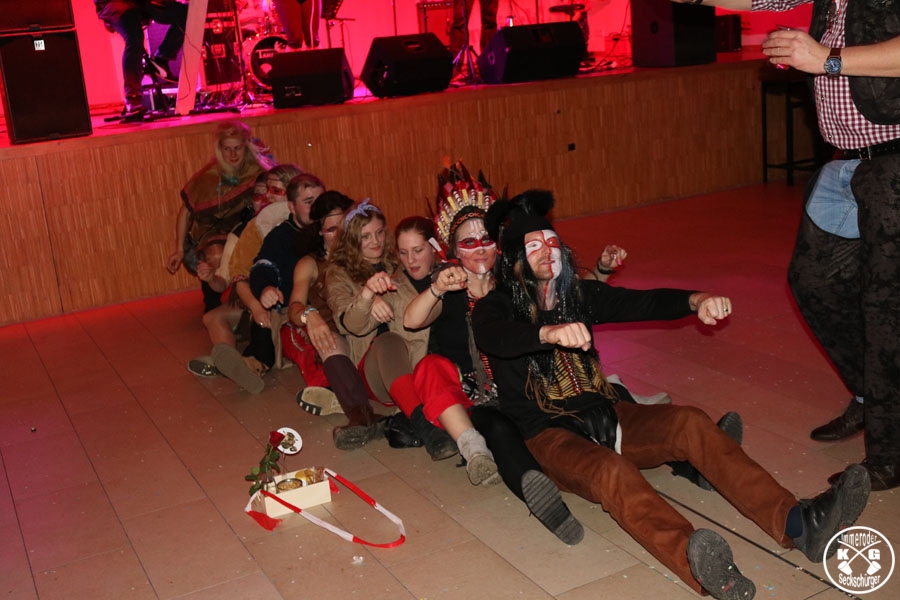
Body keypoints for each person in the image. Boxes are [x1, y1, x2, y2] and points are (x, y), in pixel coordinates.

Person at [471, 190, 871, 600]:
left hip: (609, 416)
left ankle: (800, 525)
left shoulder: (579, 296)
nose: (547, 251)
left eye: (553, 243)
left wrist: (695, 300)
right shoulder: (494, 307)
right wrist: (547, 333)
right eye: (534, 246)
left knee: (689, 422)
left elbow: (643, 301)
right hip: (550, 436)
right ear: (514, 259)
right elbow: (495, 336)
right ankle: (704, 569)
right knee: (612, 471)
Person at [677, 0, 900, 491]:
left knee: (885, 307)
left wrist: (826, 59)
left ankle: (890, 453)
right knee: (814, 283)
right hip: (848, 162)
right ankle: (873, 398)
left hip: (894, 158)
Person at [284, 192, 388, 449]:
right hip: (334, 334)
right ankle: (360, 416)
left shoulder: (372, 251)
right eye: (332, 229)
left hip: (370, 331)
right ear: (319, 232)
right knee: (327, 341)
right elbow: (294, 308)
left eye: (344, 225)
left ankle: (341, 399)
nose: (340, 233)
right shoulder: (310, 263)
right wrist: (310, 315)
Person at [166, 120, 275, 313]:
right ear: (220, 150)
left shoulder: (259, 171)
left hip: (246, 225)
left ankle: (250, 299)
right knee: (216, 254)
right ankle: (212, 300)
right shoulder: (209, 176)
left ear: (246, 146)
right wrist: (179, 250)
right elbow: (185, 212)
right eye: (227, 149)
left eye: (237, 148)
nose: (233, 154)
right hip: (212, 229)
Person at [93, 0, 188, 117]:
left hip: (142, 3)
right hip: (115, 3)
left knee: (187, 14)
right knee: (135, 38)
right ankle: (133, 98)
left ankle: (161, 59)